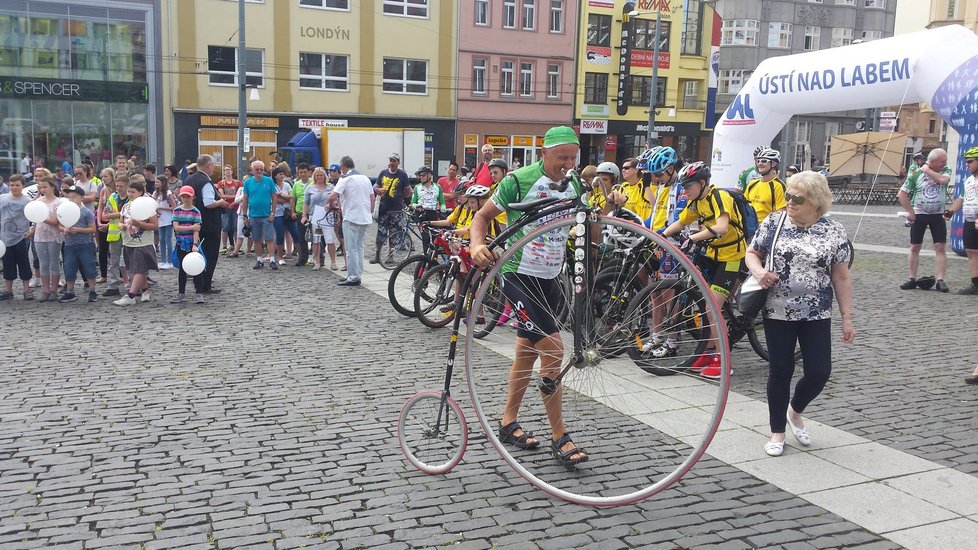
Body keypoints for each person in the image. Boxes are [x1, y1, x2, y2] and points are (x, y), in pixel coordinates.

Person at [468, 126, 591, 466]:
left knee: (525, 352)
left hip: (552, 276)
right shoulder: (518, 181)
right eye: (561, 157)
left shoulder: (576, 184)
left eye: (573, 157)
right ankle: (559, 436)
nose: (567, 164)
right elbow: (482, 216)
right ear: (544, 153)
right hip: (518, 274)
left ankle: (508, 422)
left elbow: (587, 224)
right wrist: (478, 244)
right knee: (553, 349)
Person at [744, 170, 855, 457]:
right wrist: (758, 271)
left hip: (817, 312)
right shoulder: (774, 221)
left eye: (797, 198)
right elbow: (751, 252)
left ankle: (795, 411)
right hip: (777, 310)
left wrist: (847, 317)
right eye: (788, 195)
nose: (789, 202)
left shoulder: (834, 230)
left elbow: (841, 276)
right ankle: (777, 430)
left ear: (816, 203)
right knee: (781, 369)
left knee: (820, 371)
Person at [660, 161, 747, 380]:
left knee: (711, 309)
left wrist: (693, 238)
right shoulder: (697, 202)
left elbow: (722, 227)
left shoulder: (719, 197)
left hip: (732, 258)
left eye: (688, 186)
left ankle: (724, 361)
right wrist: (658, 238)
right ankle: (708, 352)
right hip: (714, 257)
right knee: (704, 306)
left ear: (701, 183)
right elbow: (680, 223)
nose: (685, 191)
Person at [897, 148, 953, 292]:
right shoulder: (915, 174)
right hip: (920, 213)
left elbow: (942, 180)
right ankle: (911, 278)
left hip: (937, 214)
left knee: (940, 246)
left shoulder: (945, 170)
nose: (945, 163)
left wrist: (926, 170)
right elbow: (901, 194)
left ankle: (940, 280)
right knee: (915, 246)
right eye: (942, 161)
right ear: (933, 162)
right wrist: (910, 212)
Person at [330, 156, 374, 287]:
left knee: (350, 248)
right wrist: (369, 212)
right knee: (359, 247)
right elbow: (372, 198)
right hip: (364, 217)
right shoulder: (365, 178)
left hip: (351, 216)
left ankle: (353, 276)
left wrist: (332, 205)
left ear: (343, 166)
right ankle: (357, 273)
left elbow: (332, 196)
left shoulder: (345, 179)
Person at [185, 154, 227, 291]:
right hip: (209, 223)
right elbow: (208, 203)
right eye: (213, 165)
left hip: (191, 221)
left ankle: (198, 281)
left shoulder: (189, 179)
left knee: (195, 252)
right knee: (210, 254)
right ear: (209, 166)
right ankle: (205, 284)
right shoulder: (206, 182)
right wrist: (221, 201)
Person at [113, 180, 158, 306]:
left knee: (139, 269)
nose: (130, 194)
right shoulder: (126, 207)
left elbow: (154, 225)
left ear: (140, 192)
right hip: (128, 243)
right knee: (137, 269)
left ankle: (131, 295)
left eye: (133, 192)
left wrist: (139, 224)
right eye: (129, 191)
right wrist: (121, 225)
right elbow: (121, 221)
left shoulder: (148, 207)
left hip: (143, 243)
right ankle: (145, 291)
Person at [944, 146, 978, 295]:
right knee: (971, 251)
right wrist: (950, 211)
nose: (967, 164)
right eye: (966, 162)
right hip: (970, 221)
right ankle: (975, 284)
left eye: (970, 161)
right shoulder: (969, 180)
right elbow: (961, 199)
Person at [58, 185, 99, 303]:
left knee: (89, 267)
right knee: (69, 268)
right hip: (69, 245)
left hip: (85, 244)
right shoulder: (65, 211)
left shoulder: (86, 212)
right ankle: (70, 292)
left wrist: (80, 230)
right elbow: (59, 224)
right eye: (69, 197)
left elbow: (92, 229)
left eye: (74, 197)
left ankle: (92, 290)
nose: (71, 199)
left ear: (81, 197)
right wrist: (63, 229)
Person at [372, 153, 411, 264]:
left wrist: (400, 198)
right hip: (383, 208)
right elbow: (376, 186)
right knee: (381, 232)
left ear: (398, 162)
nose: (392, 163)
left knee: (393, 234)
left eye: (394, 161)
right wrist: (378, 190)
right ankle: (377, 256)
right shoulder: (383, 173)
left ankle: (390, 256)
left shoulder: (402, 175)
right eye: (391, 160)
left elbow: (408, 192)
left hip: (396, 209)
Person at [0, 175, 34, 300]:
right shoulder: (2, 199)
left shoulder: (27, 201)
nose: (14, 187)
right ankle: (8, 290)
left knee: (23, 263)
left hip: (21, 237)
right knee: (8, 264)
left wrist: (31, 232)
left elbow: (35, 219)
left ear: (23, 186)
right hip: (5, 238)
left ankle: (26, 289)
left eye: (17, 185)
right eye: (12, 185)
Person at [32, 176, 65, 302]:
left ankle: (54, 290)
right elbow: (33, 218)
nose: (43, 189)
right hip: (40, 236)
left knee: (54, 262)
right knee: (43, 264)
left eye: (45, 187)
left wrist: (42, 217)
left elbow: (55, 221)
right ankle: (45, 290)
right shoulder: (39, 201)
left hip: (53, 236)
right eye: (40, 187)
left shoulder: (58, 202)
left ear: (52, 187)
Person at [170, 186, 204, 304]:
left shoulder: (196, 212)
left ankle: (199, 293)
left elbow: (197, 230)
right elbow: (176, 227)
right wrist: (191, 227)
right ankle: (181, 293)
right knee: (182, 268)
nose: (186, 199)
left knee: (197, 268)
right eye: (183, 196)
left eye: (188, 197)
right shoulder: (177, 211)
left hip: (191, 242)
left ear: (192, 197)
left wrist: (195, 244)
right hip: (181, 242)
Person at [241, 160, 277, 270]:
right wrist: (245, 215)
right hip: (253, 215)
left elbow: (274, 197)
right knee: (256, 239)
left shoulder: (269, 181)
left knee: (269, 239)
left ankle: (272, 260)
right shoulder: (247, 182)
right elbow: (245, 199)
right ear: (253, 170)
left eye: (261, 169)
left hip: (267, 215)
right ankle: (259, 260)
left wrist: (273, 213)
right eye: (257, 169)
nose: (259, 171)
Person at [302, 167, 339, 271]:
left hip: (328, 216)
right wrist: (304, 215)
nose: (319, 177)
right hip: (315, 217)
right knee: (316, 240)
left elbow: (336, 200)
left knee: (330, 239)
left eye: (321, 175)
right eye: (317, 175)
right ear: (314, 176)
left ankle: (333, 262)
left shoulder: (330, 187)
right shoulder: (310, 188)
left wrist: (331, 204)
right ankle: (317, 261)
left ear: (324, 176)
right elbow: (306, 203)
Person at [745, 148, 788, 224]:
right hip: (749, 226)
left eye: (764, 161)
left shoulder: (779, 186)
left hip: (766, 227)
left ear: (773, 164)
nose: (759, 164)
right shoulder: (752, 183)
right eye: (758, 161)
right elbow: (744, 205)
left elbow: (782, 211)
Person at [409, 166, 445, 254]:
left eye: (423, 175)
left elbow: (442, 202)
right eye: (419, 175)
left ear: (429, 175)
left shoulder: (438, 187)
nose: (421, 177)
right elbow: (412, 203)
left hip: (432, 213)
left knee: (434, 237)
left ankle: (433, 256)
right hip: (420, 213)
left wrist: (443, 207)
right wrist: (416, 206)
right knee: (425, 238)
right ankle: (425, 257)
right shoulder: (417, 187)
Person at [270, 166, 299, 269]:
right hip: (277, 213)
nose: (282, 176)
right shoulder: (272, 186)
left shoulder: (287, 185)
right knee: (279, 234)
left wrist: (281, 196)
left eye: (283, 174)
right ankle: (280, 257)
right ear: (275, 176)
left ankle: (301, 256)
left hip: (288, 212)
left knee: (295, 233)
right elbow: (274, 199)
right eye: (280, 174)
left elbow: (291, 198)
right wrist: (285, 198)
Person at [618, 156, 652, 222]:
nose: (623, 170)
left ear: (636, 170)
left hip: (639, 225)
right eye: (622, 168)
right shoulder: (623, 186)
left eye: (626, 168)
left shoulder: (644, 185)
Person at [291, 162, 312, 266]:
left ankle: (319, 258)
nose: (303, 174)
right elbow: (293, 199)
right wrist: (293, 211)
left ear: (309, 172)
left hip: (312, 213)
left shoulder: (313, 182)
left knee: (316, 237)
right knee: (301, 237)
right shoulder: (296, 184)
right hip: (300, 212)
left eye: (305, 172)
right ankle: (303, 258)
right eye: (301, 172)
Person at [216, 165, 240, 255]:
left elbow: (240, 194)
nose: (228, 171)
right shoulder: (221, 183)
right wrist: (234, 197)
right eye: (226, 170)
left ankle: (237, 247)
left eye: (229, 170)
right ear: (224, 172)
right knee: (225, 227)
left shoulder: (238, 183)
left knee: (235, 227)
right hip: (225, 207)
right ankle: (225, 246)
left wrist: (233, 201)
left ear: (232, 172)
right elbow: (222, 195)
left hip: (236, 207)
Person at [153, 175, 176, 269]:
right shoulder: (155, 193)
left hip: (168, 219)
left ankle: (170, 261)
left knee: (168, 239)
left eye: (157, 182)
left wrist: (161, 208)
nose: (156, 184)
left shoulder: (168, 193)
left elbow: (174, 207)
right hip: (160, 219)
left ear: (163, 183)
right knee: (161, 239)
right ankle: (163, 260)